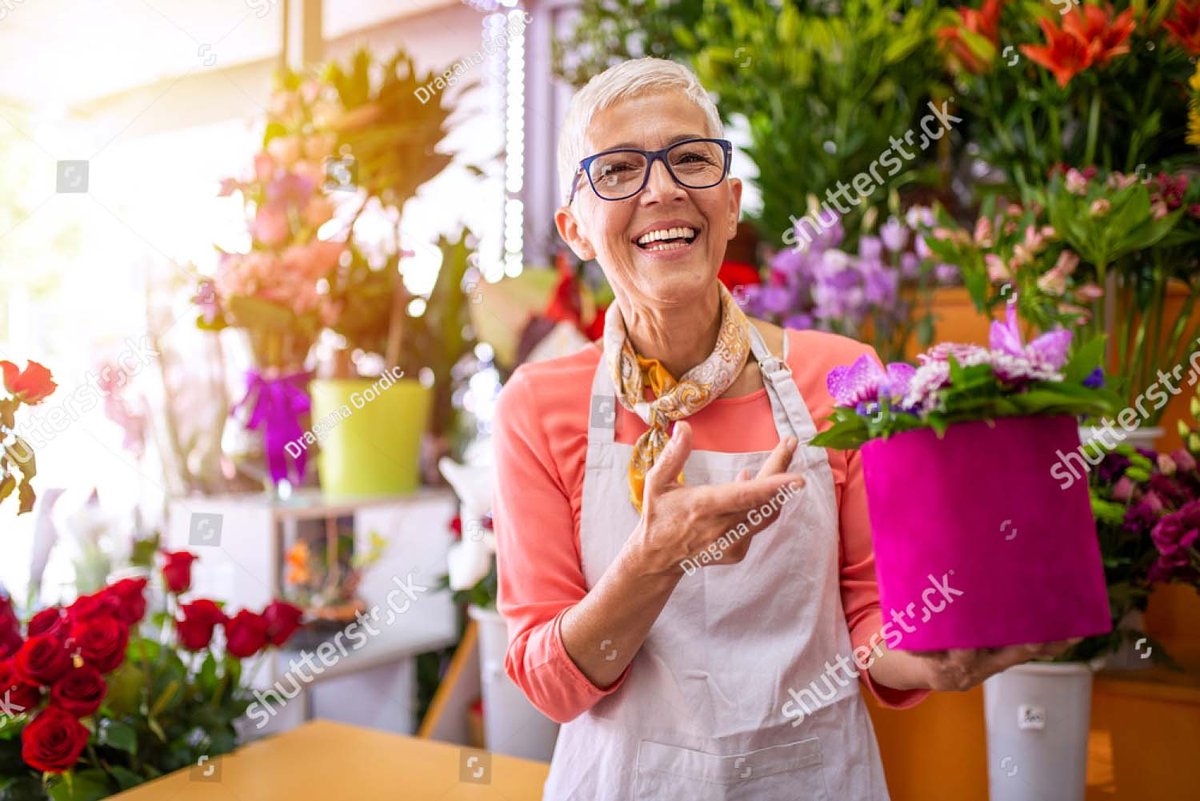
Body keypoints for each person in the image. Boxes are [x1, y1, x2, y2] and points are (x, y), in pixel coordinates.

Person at [492, 57, 1069, 800]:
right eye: (619, 169)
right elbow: (550, 683)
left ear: (730, 204)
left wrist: (930, 657)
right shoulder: (537, 407)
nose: (662, 188)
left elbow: (868, 618)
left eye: (690, 159)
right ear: (575, 229)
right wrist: (653, 560)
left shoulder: (844, 375)